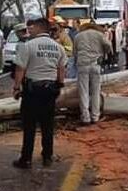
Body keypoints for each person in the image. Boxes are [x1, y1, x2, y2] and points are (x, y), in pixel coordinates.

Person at [12, 18, 66, 169]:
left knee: (29, 126)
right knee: (47, 125)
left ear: (39, 28)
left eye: (32, 27)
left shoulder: (28, 46)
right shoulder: (58, 47)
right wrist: (59, 86)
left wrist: (17, 87)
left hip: (32, 91)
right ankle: (47, 156)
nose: (29, 29)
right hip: (50, 91)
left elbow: (20, 69)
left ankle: (26, 159)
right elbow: (61, 70)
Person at [74, 21, 112, 125]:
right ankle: (95, 116)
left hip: (82, 64)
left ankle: (85, 116)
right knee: (96, 91)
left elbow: (75, 52)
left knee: (83, 92)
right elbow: (108, 45)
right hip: (96, 64)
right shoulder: (99, 34)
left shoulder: (78, 36)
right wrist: (103, 53)